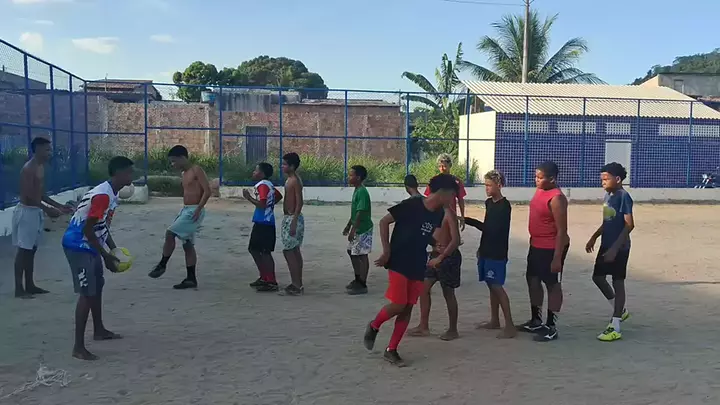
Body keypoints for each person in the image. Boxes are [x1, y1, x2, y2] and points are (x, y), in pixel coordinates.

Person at [364, 174, 458, 367]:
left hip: (417, 263)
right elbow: (384, 222)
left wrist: (435, 244)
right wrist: (387, 251)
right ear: (443, 192)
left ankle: (391, 349)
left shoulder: (438, 213)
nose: (452, 200)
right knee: (398, 304)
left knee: (407, 307)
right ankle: (374, 325)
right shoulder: (412, 205)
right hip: (399, 260)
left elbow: (423, 232)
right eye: (452, 195)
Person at [62, 156, 134, 360]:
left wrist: (113, 250)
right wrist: (106, 256)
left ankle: (99, 330)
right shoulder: (103, 196)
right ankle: (78, 347)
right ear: (118, 173)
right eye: (129, 172)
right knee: (87, 293)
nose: (132, 176)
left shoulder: (111, 193)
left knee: (97, 287)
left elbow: (101, 226)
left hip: (90, 245)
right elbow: (87, 229)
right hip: (78, 245)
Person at [13, 137, 73, 298]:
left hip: (35, 212)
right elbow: (28, 196)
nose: (49, 153)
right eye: (46, 149)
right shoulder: (28, 169)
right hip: (26, 212)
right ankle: (19, 289)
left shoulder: (40, 167)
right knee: (23, 250)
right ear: (38, 149)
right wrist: (48, 209)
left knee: (32, 249)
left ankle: (30, 284)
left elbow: (41, 194)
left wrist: (59, 206)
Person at [519, 161, 569, 342]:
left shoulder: (557, 198)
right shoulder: (540, 190)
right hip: (536, 245)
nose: (536, 180)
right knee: (532, 280)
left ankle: (551, 326)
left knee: (552, 284)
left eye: (540, 178)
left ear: (552, 179)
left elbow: (562, 230)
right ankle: (536, 320)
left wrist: (557, 258)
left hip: (551, 247)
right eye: (536, 176)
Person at [149, 145, 211, 290]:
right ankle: (191, 279)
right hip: (186, 210)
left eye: (174, 161)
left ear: (182, 158)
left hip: (193, 210)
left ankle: (162, 264)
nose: (173, 164)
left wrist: (199, 208)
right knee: (187, 244)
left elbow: (207, 191)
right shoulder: (184, 173)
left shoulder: (196, 170)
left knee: (170, 233)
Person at [464, 170, 516, 339]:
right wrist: (481, 248)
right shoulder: (489, 203)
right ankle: (495, 320)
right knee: (490, 284)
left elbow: (492, 229)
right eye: (485, 185)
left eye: (489, 185)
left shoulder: (504, 206)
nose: (486, 188)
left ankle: (510, 325)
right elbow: (487, 227)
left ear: (498, 185)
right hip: (486, 250)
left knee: (496, 286)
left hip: (497, 252)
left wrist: (468, 220)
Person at [586, 162, 634, 342]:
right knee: (598, 277)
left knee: (617, 281)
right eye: (602, 179)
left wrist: (615, 248)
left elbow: (629, 225)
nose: (603, 182)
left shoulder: (624, 197)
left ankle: (615, 325)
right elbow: (607, 221)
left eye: (606, 179)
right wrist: (594, 236)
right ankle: (619, 309)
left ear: (618, 179)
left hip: (620, 247)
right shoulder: (608, 196)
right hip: (606, 244)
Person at [406, 193, 461, 340]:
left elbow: (456, 240)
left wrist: (441, 257)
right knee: (423, 289)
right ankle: (423, 326)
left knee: (448, 293)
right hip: (435, 255)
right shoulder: (434, 214)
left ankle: (453, 329)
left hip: (448, 257)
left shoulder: (449, 214)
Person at [244, 162, 282, 292]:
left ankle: (270, 280)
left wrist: (249, 198)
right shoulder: (268, 184)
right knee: (255, 249)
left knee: (264, 252)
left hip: (264, 222)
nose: (253, 172)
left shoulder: (262, 185)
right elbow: (278, 196)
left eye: (256, 170)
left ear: (261, 173)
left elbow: (262, 204)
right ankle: (265, 277)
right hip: (264, 221)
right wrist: (270, 205)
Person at [343, 165, 373, 295]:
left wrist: (353, 230)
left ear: (358, 177)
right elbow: (355, 212)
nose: (349, 177)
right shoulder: (357, 190)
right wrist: (348, 225)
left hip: (363, 229)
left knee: (362, 254)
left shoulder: (362, 192)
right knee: (351, 251)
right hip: (358, 227)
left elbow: (360, 212)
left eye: (351, 175)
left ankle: (362, 283)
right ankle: (358, 277)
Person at [280, 152, 305, 296]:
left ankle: (297, 284)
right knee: (293, 250)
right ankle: (297, 283)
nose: (282, 166)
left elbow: (299, 202)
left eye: (285, 164)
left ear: (292, 166)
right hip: (289, 217)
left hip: (292, 217)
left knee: (290, 251)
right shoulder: (290, 179)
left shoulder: (295, 180)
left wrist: (294, 221)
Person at [423, 153, 466, 230]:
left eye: (445, 166)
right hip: (436, 216)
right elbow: (428, 199)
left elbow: (461, 200)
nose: (442, 168)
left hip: (451, 216)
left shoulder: (456, 181)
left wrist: (462, 216)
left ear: (450, 165)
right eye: (440, 166)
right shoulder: (434, 181)